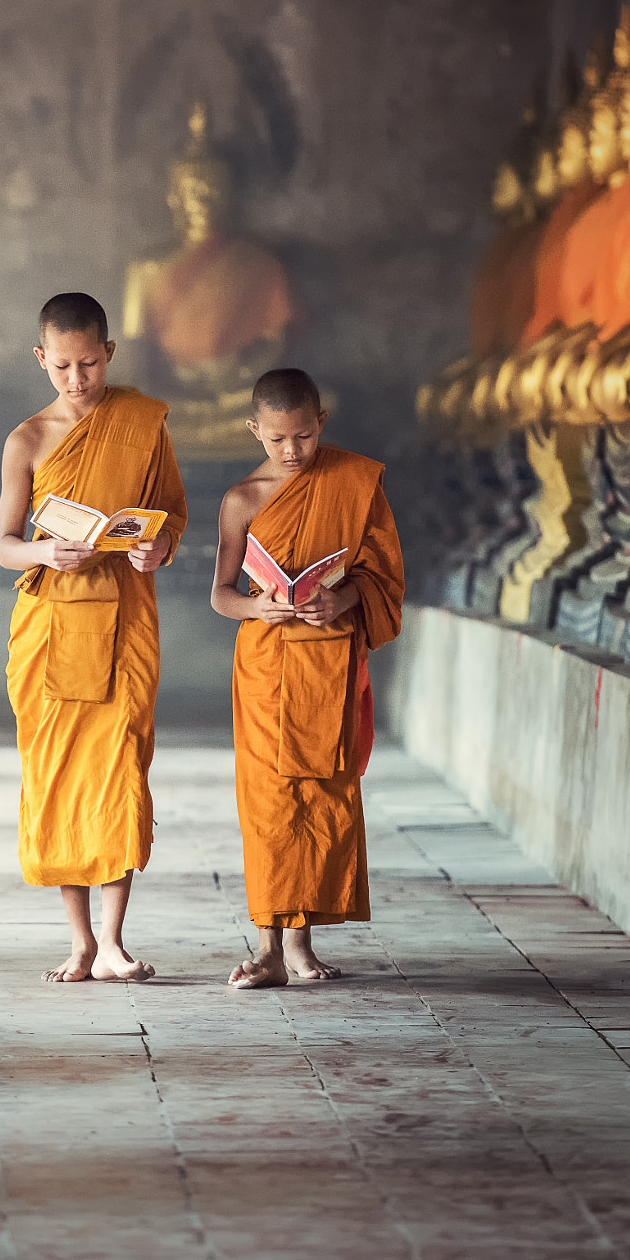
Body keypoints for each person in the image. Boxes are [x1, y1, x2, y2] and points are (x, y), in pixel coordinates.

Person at [0, 292, 187, 982]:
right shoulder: (28, 439)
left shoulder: (142, 422)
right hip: (52, 626)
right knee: (58, 776)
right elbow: (5, 547)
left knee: (118, 772)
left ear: (109, 353)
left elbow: (168, 519)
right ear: (42, 358)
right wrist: (47, 553)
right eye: (64, 366)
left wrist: (152, 551)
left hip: (125, 615)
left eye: (90, 364)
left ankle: (113, 940)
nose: (78, 380)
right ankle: (79, 940)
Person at [212, 369, 404, 989]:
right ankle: (267, 948)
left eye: (302, 435)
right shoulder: (241, 500)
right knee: (269, 802)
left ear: (322, 420)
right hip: (267, 664)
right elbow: (221, 595)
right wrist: (256, 606)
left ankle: (301, 944)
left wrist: (342, 598)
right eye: (276, 440)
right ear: (254, 431)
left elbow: (383, 576)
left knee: (322, 794)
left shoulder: (355, 482)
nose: (291, 451)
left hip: (328, 659)